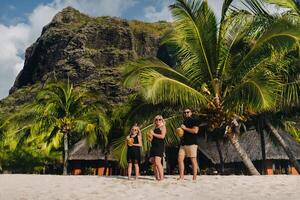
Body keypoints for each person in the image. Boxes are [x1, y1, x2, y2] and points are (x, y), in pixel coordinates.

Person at [178, 108, 199, 180]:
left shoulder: (194, 121)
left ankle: (194, 177)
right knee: (180, 159)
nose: (186, 113)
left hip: (192, 143)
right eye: (184, 112)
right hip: (183, 144)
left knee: (193, 160)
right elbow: (182, 132)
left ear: (191, 113)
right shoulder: (183, 122)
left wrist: (185, 128)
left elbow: (195, 131)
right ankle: (181, 176)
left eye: (187, 112)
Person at [149, 115, 166, 181]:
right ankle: (156, 177)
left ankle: (161, 178)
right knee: (154, 163)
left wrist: (153, 134)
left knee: (157, 162)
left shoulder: (163, 127)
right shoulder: (154, 128)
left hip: (159, 146)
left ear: (162, 120)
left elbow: (162, 136)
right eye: (156, 119)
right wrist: (150, 137)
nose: (158, 120)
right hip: (153, 146)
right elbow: (151, 138)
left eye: (159, 119)